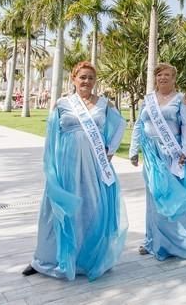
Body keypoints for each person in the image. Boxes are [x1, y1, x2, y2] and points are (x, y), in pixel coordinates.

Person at [22, 61, 128, 281]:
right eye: (82, 77)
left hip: (94, 165)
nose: (86, 81)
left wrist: (110, 152)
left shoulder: (104, 104)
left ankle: (87, 258)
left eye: (90, 77)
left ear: (95, 80)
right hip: (67, 165)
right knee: (57, 211)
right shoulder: (62, 104)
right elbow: (52, 137)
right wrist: (53, 166)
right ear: (73, 78)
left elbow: (121, 125)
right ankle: (45, 259)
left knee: (92, 207)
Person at [129, 63, 186, 260]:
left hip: (171, 154)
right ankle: (152, 240)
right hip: (150, 153)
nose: (163, 78)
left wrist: (185, 152)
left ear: (174, 78)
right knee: (153, 197)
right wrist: (133, 150)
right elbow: (139, 125)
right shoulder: (147, 100)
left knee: (171, 196)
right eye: (159, 75)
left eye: (167, 75)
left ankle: (179, 241)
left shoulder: (181, 99)